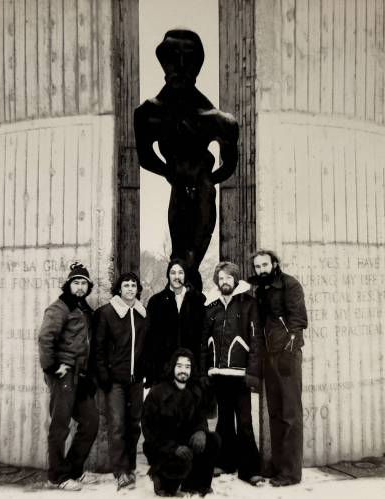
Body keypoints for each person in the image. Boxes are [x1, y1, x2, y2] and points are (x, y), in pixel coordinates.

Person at [134, 29, 239, 290]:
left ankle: (190, 300)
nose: (180, 66)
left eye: (188, 59)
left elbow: (229, 165)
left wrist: (206, 180)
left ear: (197, 65)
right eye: (173, 57)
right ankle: (182, 301)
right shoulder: (149, 113)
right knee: (180, 257)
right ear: (163, 61)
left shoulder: (218, 119)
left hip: (202, 190)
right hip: (180, 188)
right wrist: (172, 173)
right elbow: (145, 158)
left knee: (191, 258)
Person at [200, 261, 264, 485]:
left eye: (229, 277)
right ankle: (225, 462)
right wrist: (204, 371)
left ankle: (250, 469)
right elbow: (203, 341)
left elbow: (256, 340)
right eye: (221, 278)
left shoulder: (248, 303)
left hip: (241, 374)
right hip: (218, 373)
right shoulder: (211, 305)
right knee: (224, 421)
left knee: (244, 422)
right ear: (217, 281)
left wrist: (253, 372)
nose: (224, 281)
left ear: (235, 279)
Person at [249, 250, 308, 486]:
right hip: (269, 356)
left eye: (265, 265)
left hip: (287, 356)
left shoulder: (290, 285)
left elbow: (298, 321)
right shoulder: (261, 289)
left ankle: (291, 472)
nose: (261, 270)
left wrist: (289, 350)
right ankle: (277, 464)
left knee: (291, 414)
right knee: (274, 412)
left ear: (275, 264)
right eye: (257, 266)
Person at [38, 262, 99, 491]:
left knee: (91, 421)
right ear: (68, 285)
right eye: (76, 283)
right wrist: (53, 367)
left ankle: (74, 470)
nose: (80, 287)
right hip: (63, 376)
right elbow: (45, 338)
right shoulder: (60, 307)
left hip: (80, 377)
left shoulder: (83, 310)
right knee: (60, 426)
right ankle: (56, 476)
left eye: (84, 283)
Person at [142, 348, 220, 497]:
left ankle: (195, 485)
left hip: (184, 442)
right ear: (172, 367)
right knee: (176, 471)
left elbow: (200, 418)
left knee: (213, 440)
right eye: (179, 366)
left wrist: (201, 431)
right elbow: (149, 430)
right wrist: (173, 448)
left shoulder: (195, 391)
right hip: (163, 449)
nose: (183, 371)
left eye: (187, 367)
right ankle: (160, 478)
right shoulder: (157, 393)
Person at [94, 272, 147, 490]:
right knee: (117, 425)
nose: (130, 289)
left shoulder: (143, 314)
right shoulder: (107, 313)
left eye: (133, 285)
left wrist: (146, 372)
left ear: (137, 289)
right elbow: (98, 348)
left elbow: (148, 346)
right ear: (119, 289)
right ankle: (120, 471)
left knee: (134, 423)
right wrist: (104, 376)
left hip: (136, 380)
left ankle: (131, 464)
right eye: (126, 285)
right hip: (115, 380)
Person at [144, 258, 205, 388]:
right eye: (173, 272)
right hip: (164, 368)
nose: (176, 276)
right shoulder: (156, 301)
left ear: (186, 275)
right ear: (168, 275)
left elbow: (203, 335)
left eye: (180, 272)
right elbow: (150, 337)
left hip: (189, 368)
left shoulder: (197, 300)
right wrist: (151, 371)